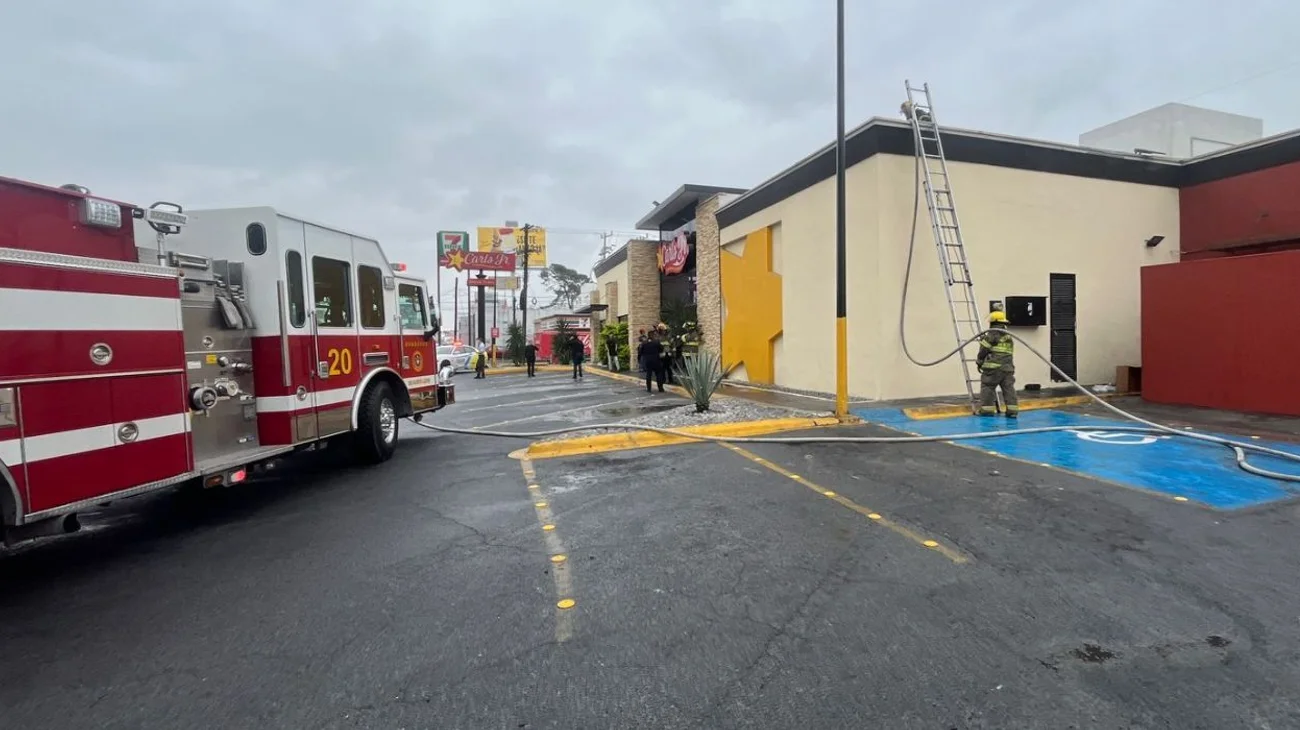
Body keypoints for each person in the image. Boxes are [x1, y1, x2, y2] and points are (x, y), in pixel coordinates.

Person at [975, 310, 1019, 418]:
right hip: (1008, 369)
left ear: (993, 322)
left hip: (993, 369)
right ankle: (1012, 411)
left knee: (988, 387)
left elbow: (983, 350)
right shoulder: (1009, 337)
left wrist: (979, 362)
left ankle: (987, 411)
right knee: (1009, 389)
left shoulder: (992, 334)